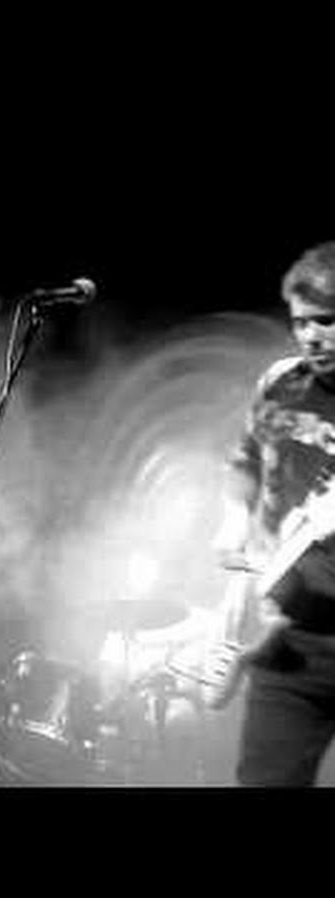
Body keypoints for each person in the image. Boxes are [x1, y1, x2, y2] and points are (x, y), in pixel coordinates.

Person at [211, 241, 335, 786]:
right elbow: (244, 462)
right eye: (301, 322)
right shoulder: (282, 383)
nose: (311, 336)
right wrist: (233, 515)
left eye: (327, 320)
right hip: (284, 640)